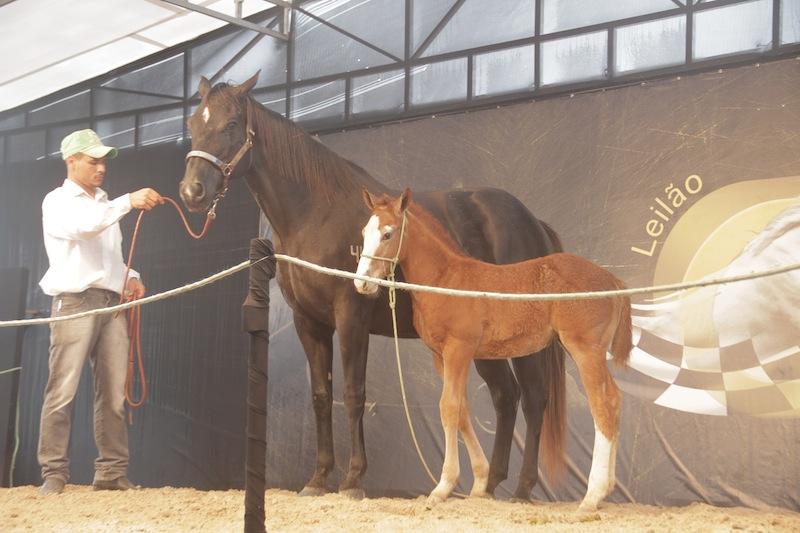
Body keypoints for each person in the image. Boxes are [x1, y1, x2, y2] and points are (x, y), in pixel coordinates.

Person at [37, 129, 164, 496]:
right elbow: (83, 229)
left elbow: (110, 258)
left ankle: (111, 471)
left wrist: (130, 277)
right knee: (62, 391)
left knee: (113, 394)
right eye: (93, 161)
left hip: (111, 303)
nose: (101, 167)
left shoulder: (104, 203)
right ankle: (54, 472)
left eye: (103, 161)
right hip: (74, 302)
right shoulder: (57, 201)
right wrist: (129, 201)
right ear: (71, 161)